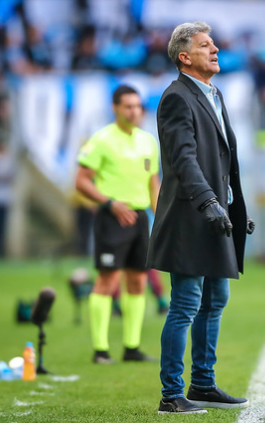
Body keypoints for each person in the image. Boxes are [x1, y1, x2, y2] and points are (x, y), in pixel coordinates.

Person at [147, 22, 255, 415]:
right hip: (191, 215)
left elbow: (222, 160)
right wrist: (208, 201)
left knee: (215, 299)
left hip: (215, 214)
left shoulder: (214, 94)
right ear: (184, 56)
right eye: (205, 45)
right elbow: (183, 158)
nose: (216, 50)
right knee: (186, 304)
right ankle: (171, 394)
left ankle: (204, 384)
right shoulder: (177, 97)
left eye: (214, 44)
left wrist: (228, 206)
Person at [75, 85, 160, 364]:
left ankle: (131, 347)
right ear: (115, 108)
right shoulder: (101, 140)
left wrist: (159, 218)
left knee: (137, 280)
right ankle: (100, 350)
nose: (134, 111)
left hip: (139, 219)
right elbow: (82, 180)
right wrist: (110, 203)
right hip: (112, 218)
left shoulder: (148, 141)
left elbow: (153, 184)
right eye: (128, 106)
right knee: (107, 279)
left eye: (138, 106)